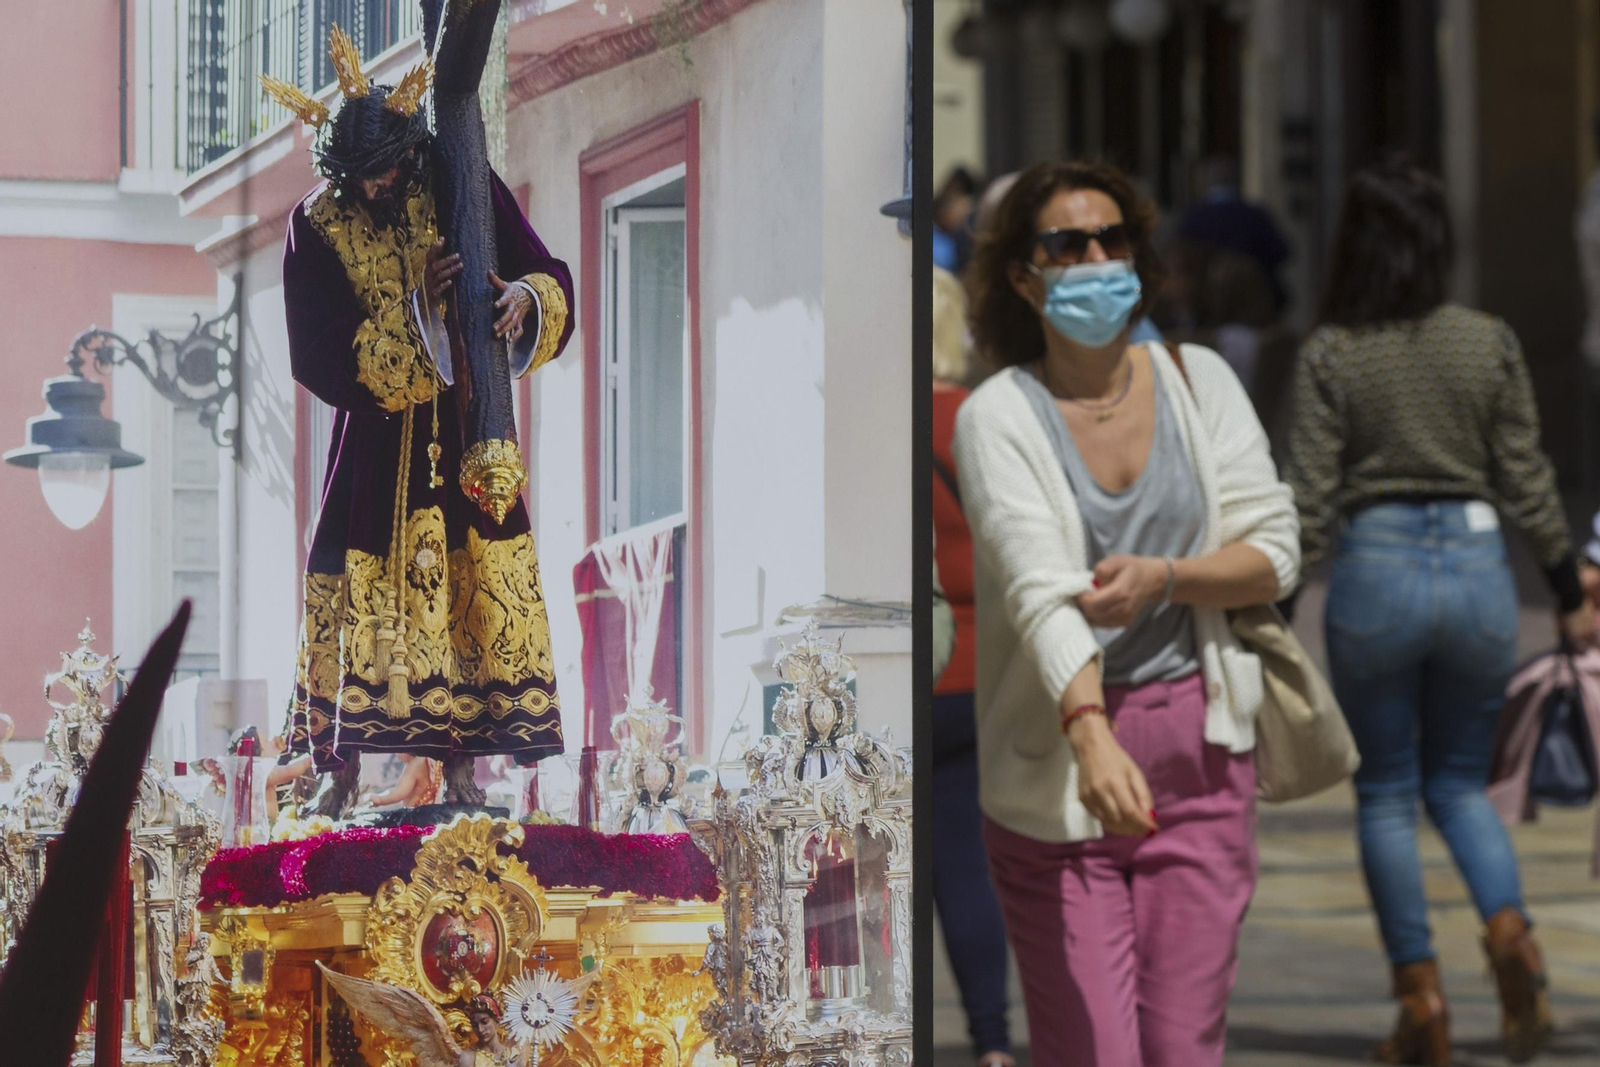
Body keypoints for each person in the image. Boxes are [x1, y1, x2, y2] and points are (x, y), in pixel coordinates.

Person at [955, 159, 1299, 1067]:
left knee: (1183, 1050)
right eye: (1069, 244)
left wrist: (1169, 579)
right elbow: (1038, 586)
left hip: (1201, 750)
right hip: (1059, 769)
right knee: (1099, 1053)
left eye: (1115, 239)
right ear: (1026, 277)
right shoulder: (997, 416)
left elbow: (1276, 549)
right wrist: (1090, 729)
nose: (1098, 257)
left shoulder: (1201, 379)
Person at [1284, 156, 1596, 1066]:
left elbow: (1307, 500)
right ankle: (1514, 941)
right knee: (1461, 785)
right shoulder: (1487, 339)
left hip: (1375, 567)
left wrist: (1278, 609)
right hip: (1477, 567)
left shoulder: (1333, 350)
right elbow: (1529, 477)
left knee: (1385, 793)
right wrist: (1569, 589)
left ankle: (1421, 1001)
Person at [264, 30, 575, 817]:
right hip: (372, 443)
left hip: (465, 427)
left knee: (473, 583)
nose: (377, 190)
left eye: (386, 174)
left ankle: (462, 769)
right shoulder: (316, 223)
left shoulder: (451, 174)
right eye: (360, 182)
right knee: (348, 581)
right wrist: (418, 318)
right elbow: (318, 353)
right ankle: (337, 764)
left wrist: (523, 300)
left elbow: (542, 266)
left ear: (406, 153)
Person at [932, 265, 1014, 1067]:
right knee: (966, 865)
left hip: (905, 678)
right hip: (975, 673)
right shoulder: (980, 421)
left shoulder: (887, 416)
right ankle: (991, 1042)